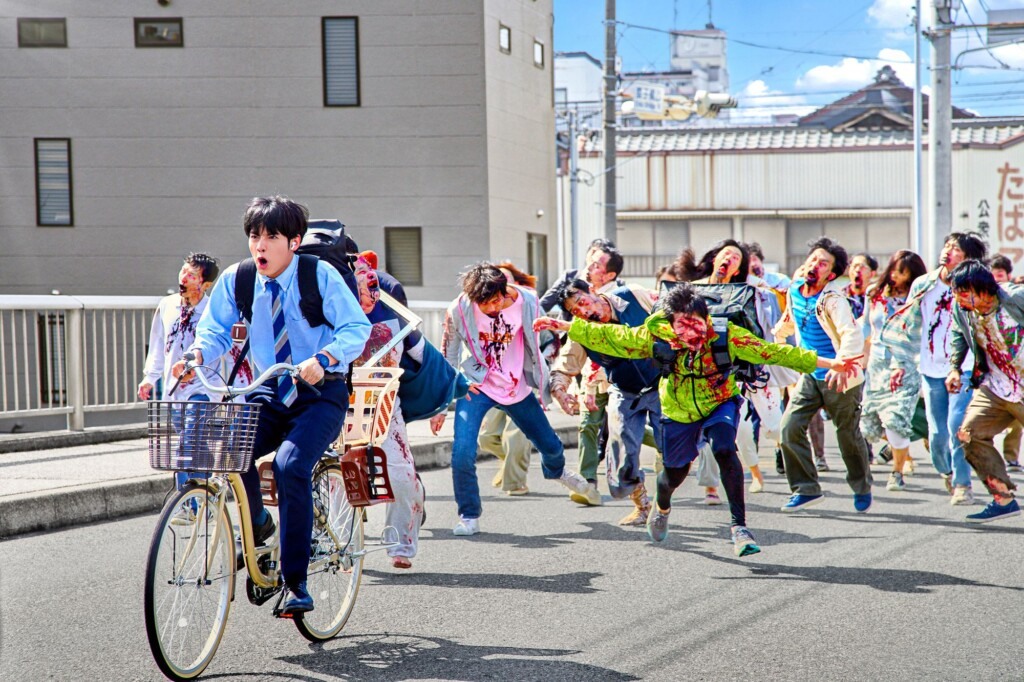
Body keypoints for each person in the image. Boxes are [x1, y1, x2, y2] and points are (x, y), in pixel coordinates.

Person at [536, 283, 856, 556]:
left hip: (719, 402)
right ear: (670, 323)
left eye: (695, 323)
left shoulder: (725, 334)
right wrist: (568, 328)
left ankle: (739, 529)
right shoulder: (656, 335)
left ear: (706, 318)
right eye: (681, 325)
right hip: (677, 410)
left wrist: (832, 363)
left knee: (723, 448)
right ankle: (661, 508)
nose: (690, 332)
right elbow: (618, 336)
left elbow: (774, 352)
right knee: (673, 474)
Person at [173, 196, 371, 615]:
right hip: (271, 387)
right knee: (229, 448)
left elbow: (356, 328)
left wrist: (325, 358)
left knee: (289, 466)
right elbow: (216, 332)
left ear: (294, 242)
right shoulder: (238, 279)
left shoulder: (319, 276)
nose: (259, 245)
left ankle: (296, 582)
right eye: (253, 235)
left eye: (272, 237)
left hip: (321, 391)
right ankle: (260, 524)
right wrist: (195, 358)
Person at [431, 263, 591, 536]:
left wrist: (551, 382)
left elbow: (545, 339)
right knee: (462, 453)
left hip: (518, 387)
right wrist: (441, 405)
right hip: (477, 386)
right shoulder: (458, 310)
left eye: (495, 302)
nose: (491, 309)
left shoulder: (527, 301)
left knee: (551, 447)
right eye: (484, 305)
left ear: (504, 292)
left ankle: (558, 472)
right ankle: (469, 515)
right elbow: (450, 357)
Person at [880, 232, 986, 505]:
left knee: (955, 426)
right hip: (930, 368)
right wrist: (900, 364)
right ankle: (947, 470)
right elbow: (908, 327)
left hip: (962, 367)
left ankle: (964, 485)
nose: (947, 251)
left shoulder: (971, 285)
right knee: (937, 434)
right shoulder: (923, 285)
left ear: (968, 259)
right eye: (947, 246)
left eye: (956, 249)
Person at [549, 278, 661, 524]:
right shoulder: (582, 328)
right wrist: (560, 389)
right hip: (623, 389)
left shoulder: (632, 295)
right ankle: (642, 506)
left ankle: (663, 504)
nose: (584, 311)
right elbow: (566, 363)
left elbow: (669, 313)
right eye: (576, 311)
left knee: (672, 449)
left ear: (592, 290)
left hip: (663, 383)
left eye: (582, 302)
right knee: (619, 451)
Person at [774, 237, 873, 513]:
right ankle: (806, 488)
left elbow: (850, 333)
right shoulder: (794, 289)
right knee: (788, 429)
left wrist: (842, 364)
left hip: (840, 377)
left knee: (847, 437)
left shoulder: (833, 298)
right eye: (813, 259)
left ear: (831, 274)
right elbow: (791, 318)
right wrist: (778, 337)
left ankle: (862, 485)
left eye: (823, 263)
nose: (815, 265)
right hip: (809, 375)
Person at [138, 253, 252, 489]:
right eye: (183, 272)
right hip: (174, 388)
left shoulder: (214, 310)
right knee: (191, 441)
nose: (184, 278)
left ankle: (188, 502)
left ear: (206, 284)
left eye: (192, 275)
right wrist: (150, 378)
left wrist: (239, 393)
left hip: (203, 387)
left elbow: (233, 353)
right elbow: (158, 344)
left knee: (189, 440)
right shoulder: (167, 305)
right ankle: (204, 485)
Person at [350, 253, 425, 569]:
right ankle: (342, 547)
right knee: (341, 476)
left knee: (401, 474)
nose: (369, 288)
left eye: (371, 283)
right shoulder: (326, 311)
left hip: (385, 402)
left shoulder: (394, 312)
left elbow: (422, 359)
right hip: (337, 401)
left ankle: (400, 542)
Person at [946, 260, 1024, 522]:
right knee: (969, 434)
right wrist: (955, 368)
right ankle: (1002, 497)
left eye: (962, 291)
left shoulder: (1014, 298)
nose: (957, 297)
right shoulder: (963, 311)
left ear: (981, 288)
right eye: (955, 292)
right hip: (996, 387)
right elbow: (959, 334)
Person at [858, 250, 928, 492]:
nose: (898, 277)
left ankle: (896, 472)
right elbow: (866, 327)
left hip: (907, 364)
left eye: (905, 273)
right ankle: (900, 451)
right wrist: (857, 357)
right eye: (897, 270)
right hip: (877, 364)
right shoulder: (874, 293)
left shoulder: (919, 297)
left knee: (896, 421)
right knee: (870, 422)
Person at [480, 261, 539, 496]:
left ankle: (516, 482)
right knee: (485, 438)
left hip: (523, 380)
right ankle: (509, 464)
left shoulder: (528, 304)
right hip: (493, 382)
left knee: (515, 436)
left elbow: (543, 339)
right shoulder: (482, 310)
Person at [987, 255, 1023, 472]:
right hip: (991, 370)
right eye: (992, 276)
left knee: (1016, 420)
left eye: (999, 275)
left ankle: (1010, 457)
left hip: (1017, 370)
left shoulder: (1016, 298)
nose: (996, 280)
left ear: (1008, 276)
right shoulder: (983, 301)